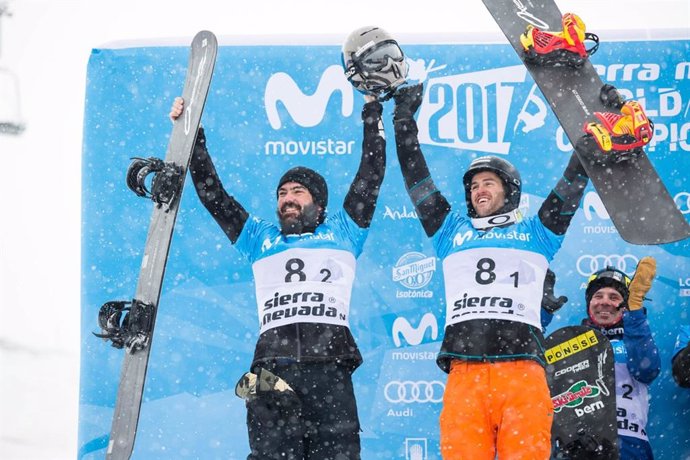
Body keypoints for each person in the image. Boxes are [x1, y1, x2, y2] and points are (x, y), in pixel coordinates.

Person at [169, 87, 385, 458]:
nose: (287, 198)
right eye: (282, 193)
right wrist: (193, 134)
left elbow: (371, 174)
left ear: (319, 203)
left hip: (329, 370)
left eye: (298, 191)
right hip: (270, 370)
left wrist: (372, 108)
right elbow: (213, 195)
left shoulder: (344, 232)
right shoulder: (259, 238)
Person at [391, 82, 590, 459]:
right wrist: (404, 121)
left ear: (509, 191)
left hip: (523, 374)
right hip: (465, 375)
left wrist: (589, 136)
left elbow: (569, 189)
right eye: (474, 186)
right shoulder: (450, 231)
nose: (479, 190)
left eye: (489, 183)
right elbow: (417, 181)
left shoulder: (536, 233)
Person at [577, 258, 661, 459]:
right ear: (589, 303)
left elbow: (647, 371)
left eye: (614, 297)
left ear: (625, 305)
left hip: (628, 441)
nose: (605, 301)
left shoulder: (635, 338)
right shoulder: (570, 342)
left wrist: (635, 313)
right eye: (598, 296)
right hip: (578, 444)